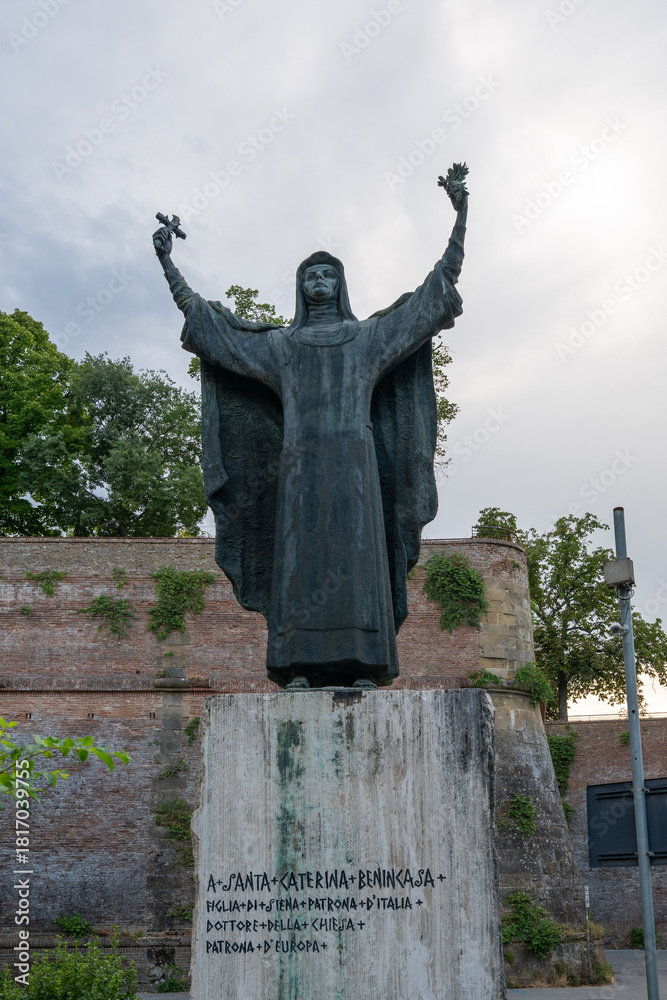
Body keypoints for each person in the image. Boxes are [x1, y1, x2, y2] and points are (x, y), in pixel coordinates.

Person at [153, 166, 468, 689]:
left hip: (356, 470)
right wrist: (167, 263)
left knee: (359, 559)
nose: (318, 282)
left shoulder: (367, 339)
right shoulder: (281, 347)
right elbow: (214, 329)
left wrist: (460, 218)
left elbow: (430, 298)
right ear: (300, 287)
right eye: (310, 276)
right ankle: (298, 665)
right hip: (299, 470)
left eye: (327, 276)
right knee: (298, 563)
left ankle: (363, 663)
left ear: (340, 286)